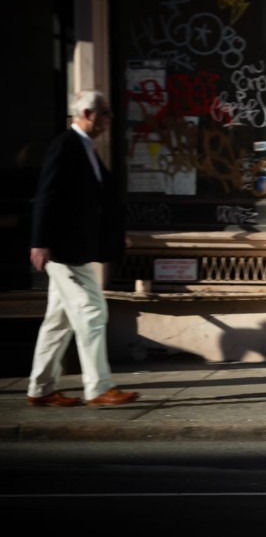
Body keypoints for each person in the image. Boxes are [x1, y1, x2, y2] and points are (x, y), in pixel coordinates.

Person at [26, 90, 139, 407]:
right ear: (88, 113)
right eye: (105, 113)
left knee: (58, 321)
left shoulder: (86, 149)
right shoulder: (65, 146)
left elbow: (96, 203)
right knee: (92, 312)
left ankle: (41, 388)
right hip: (64, 251)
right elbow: (47, 194)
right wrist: (39, 242)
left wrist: (116, 236)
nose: (109, 119)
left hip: (73, 248)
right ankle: (99, 387)